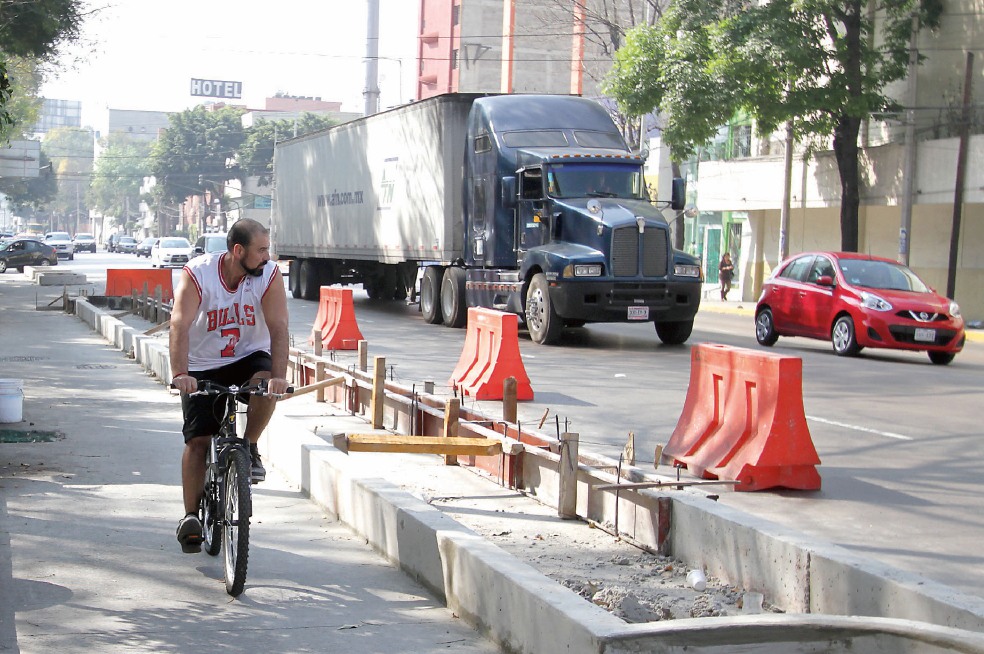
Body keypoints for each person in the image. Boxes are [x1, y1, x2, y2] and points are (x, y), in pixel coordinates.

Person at [169, 219, 290, 553]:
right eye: (261, 250)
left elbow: (279, 328)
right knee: (198, 440)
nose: (268, 256)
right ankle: (191, 516)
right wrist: (181, 373)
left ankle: (249, 446)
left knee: (265, 386)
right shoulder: (198, 274)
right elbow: (179, 323)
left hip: (249, 355)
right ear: (239, 251)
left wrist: (279, 375)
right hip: (203, 364)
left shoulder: (268, 275)